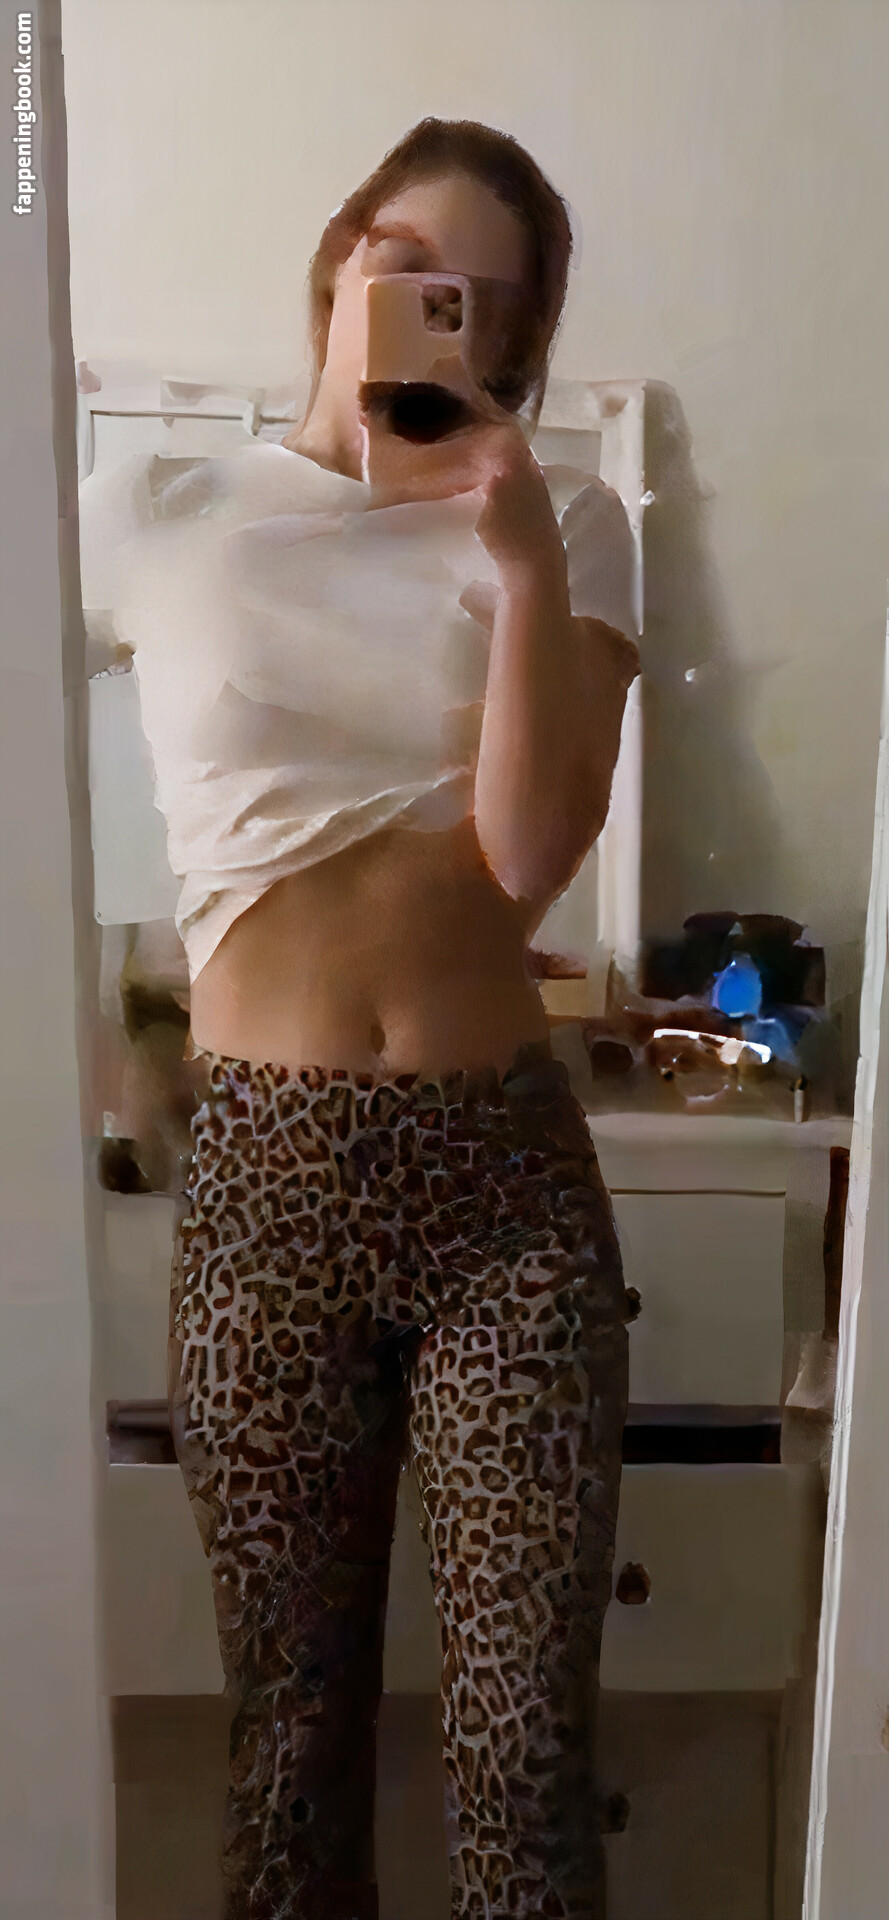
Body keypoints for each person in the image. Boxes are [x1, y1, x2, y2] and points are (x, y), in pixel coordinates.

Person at [103, 117, 639, 1920]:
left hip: (501, 1192)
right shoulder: (161, 512)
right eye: (408, 263)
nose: (429, 308)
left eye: (478, 301)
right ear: (341, 257)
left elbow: (530, 854)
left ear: (512, 344)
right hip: (264, 1178)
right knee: (289, 1747)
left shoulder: (568, 520)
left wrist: (522, 562)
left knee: (521, 1757)